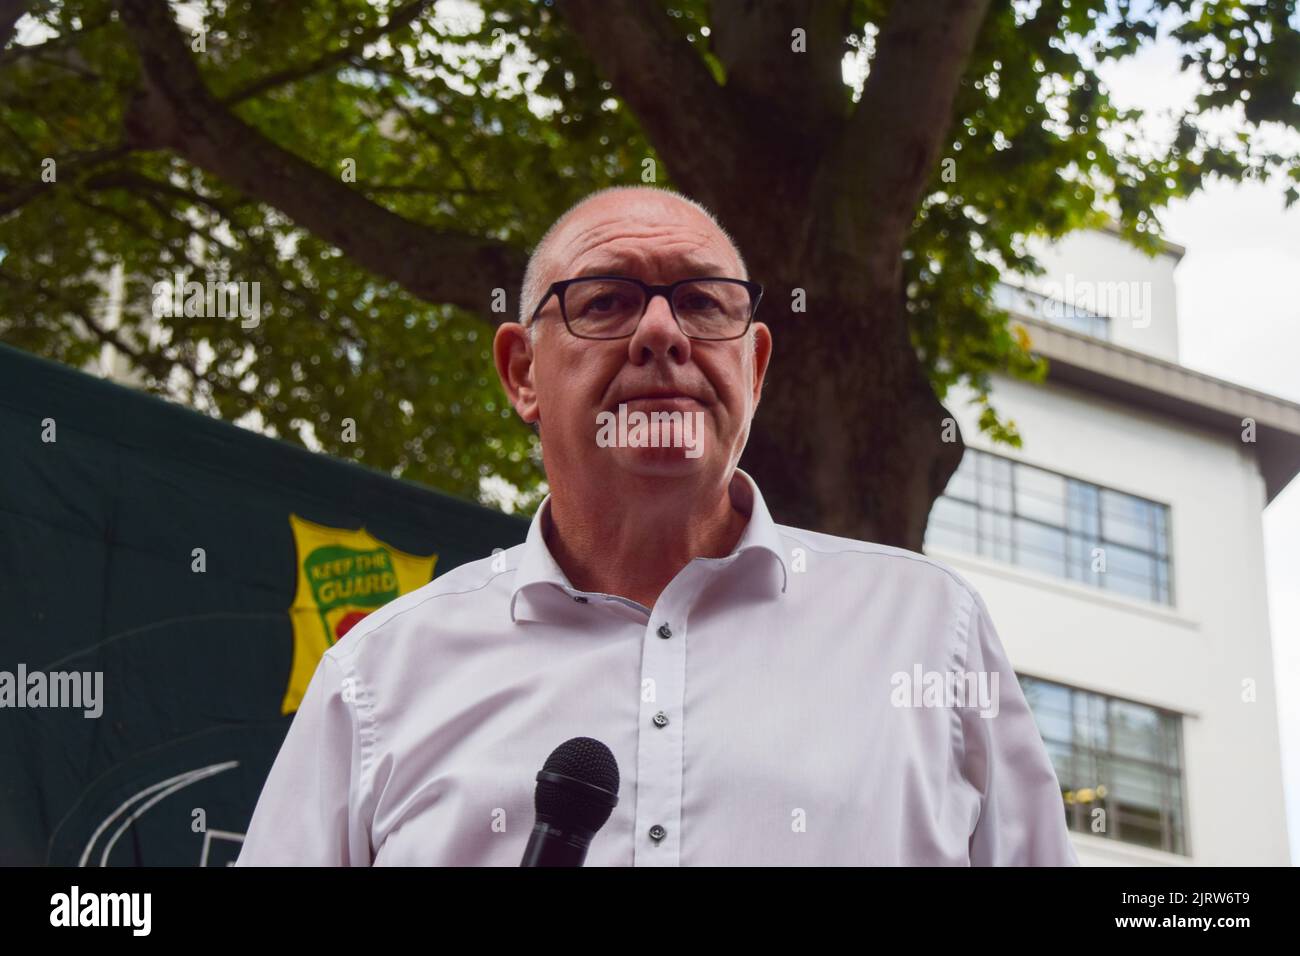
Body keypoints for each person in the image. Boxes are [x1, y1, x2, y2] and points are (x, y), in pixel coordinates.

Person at [236, 185, 1078, 866]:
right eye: (606, 300)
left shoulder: (929, 632)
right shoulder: (379, 677)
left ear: (752, 367)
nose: (662, 335)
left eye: (704, 304)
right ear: (521, 373)